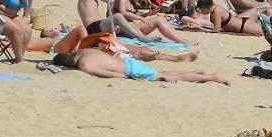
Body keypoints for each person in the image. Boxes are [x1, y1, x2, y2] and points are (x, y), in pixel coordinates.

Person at [52, 48, 228, 85]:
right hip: (128, 61)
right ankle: (199, 73)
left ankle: (211, 77)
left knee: (167, 76)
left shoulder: (83, 64)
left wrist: (124, 78)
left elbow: (107, 73)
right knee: (163, 71)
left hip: (129, 70)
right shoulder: (84, 51)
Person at [76, 0, 160, 43]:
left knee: (127, 21)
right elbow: (111, 0)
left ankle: (143, 36)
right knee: (118, 17)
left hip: (96, 26)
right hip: (93, 28)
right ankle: (140, 37)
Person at [112, 0, 189, 44]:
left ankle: (179, 38)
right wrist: (140, 18)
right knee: (158, 20)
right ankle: (180, 41)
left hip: (130, 28)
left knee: (160, 17)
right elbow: (123, 12)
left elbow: (133, 14)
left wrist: (148, 14)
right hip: (120, 29)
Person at [184, 0, 263, 35]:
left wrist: (199, 28)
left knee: (268, 33)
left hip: (245, 26)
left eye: (201, 10)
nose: (200, 12)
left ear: (206, 7)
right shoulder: (214, 8)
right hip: (243, 23)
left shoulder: (216, 12)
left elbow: (216, 31)